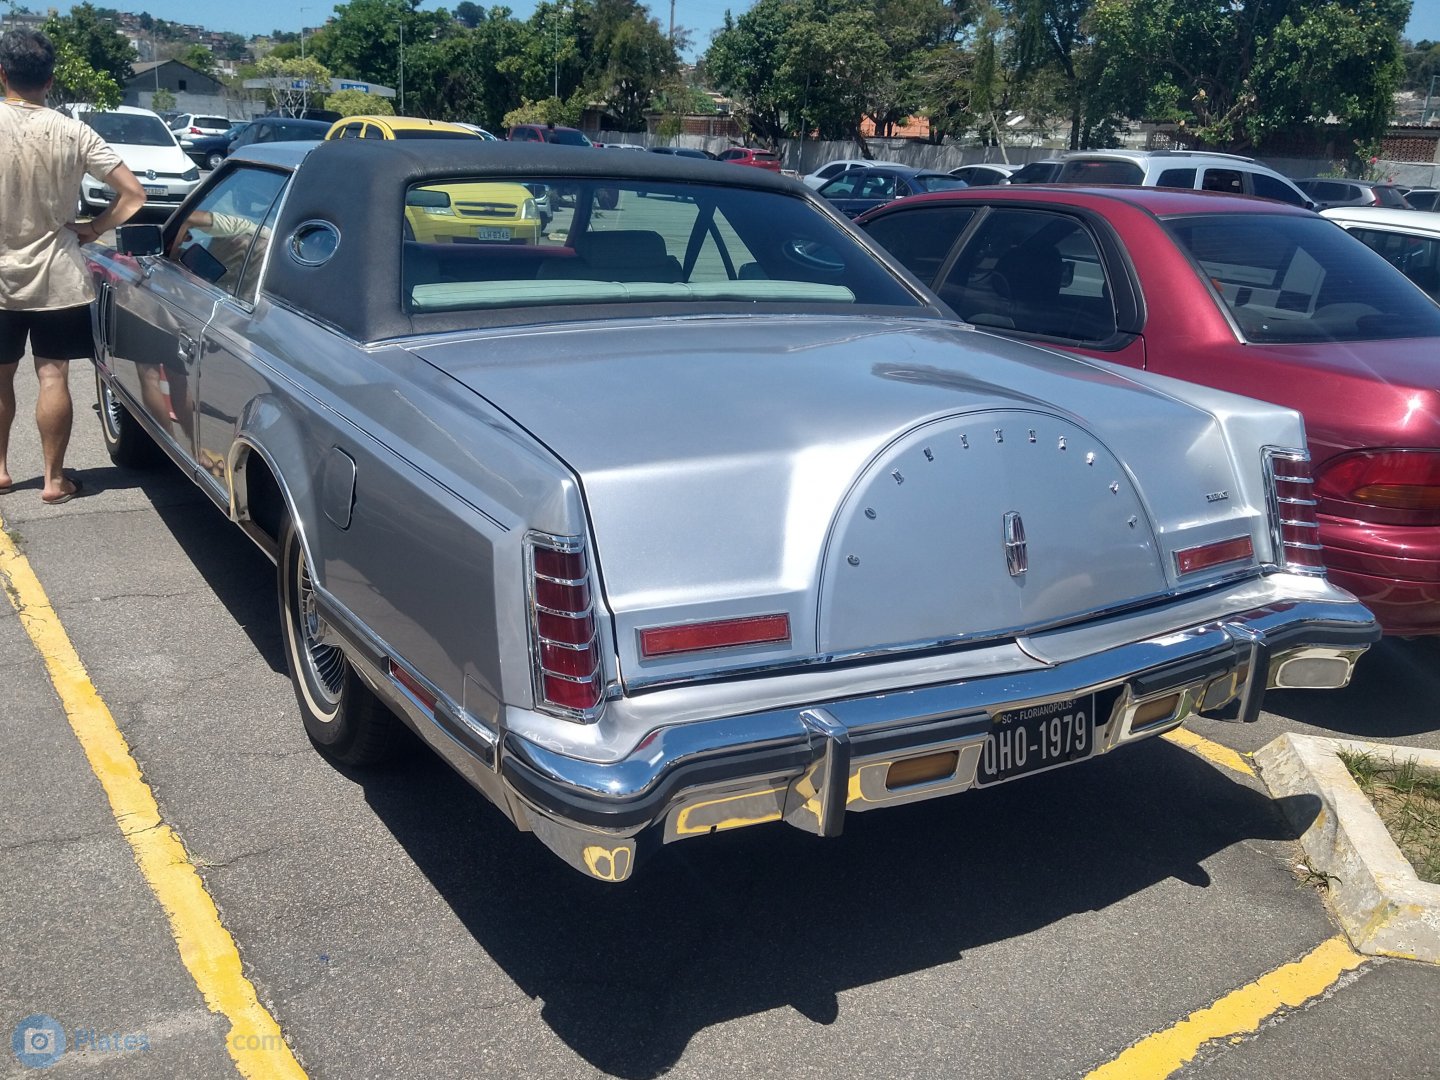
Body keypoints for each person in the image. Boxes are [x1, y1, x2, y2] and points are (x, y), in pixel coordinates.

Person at [0, 29, 145, 504]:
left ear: (1, 74)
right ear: (50, 80)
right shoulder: (72, 131)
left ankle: (0, 471)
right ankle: (53, 479)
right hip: (57, 276)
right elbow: (134, 195)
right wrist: (94, 228)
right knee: (52, 375)